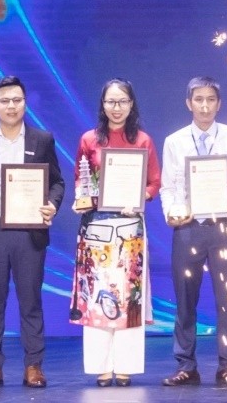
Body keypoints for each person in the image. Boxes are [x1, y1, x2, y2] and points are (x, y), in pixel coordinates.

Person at [0, 75, 64, 389]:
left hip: (29, 232)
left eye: (17, 100)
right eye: (5, 100)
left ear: (25, 103)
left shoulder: (42, 139)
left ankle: (33, 365)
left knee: (30, 301)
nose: (11, 106)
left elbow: (57, 182)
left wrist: (51, 205)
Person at [159, 76, 227, 387]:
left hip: (224, 227)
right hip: (188, 228)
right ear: (189, 103)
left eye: (210, 99)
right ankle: (186, 366)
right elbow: (168, 187)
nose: (204, 106)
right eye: (198, 99)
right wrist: (171, 212)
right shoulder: (174, 141)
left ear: (219, 103)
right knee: (185, 300)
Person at [70, 78, 163, 386]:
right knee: (97, 298)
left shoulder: (143, 140)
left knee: (128, 298)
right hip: (95, 228)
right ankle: (101, 366)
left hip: (130, 230)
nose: (117, 107)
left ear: (131, 104)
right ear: (103, 105)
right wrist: (82, 198)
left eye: (122, 101)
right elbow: (80, 179)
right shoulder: (88, 139)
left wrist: (140, 198)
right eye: (111, 101)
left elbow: (154, 183)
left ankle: (125, 366)